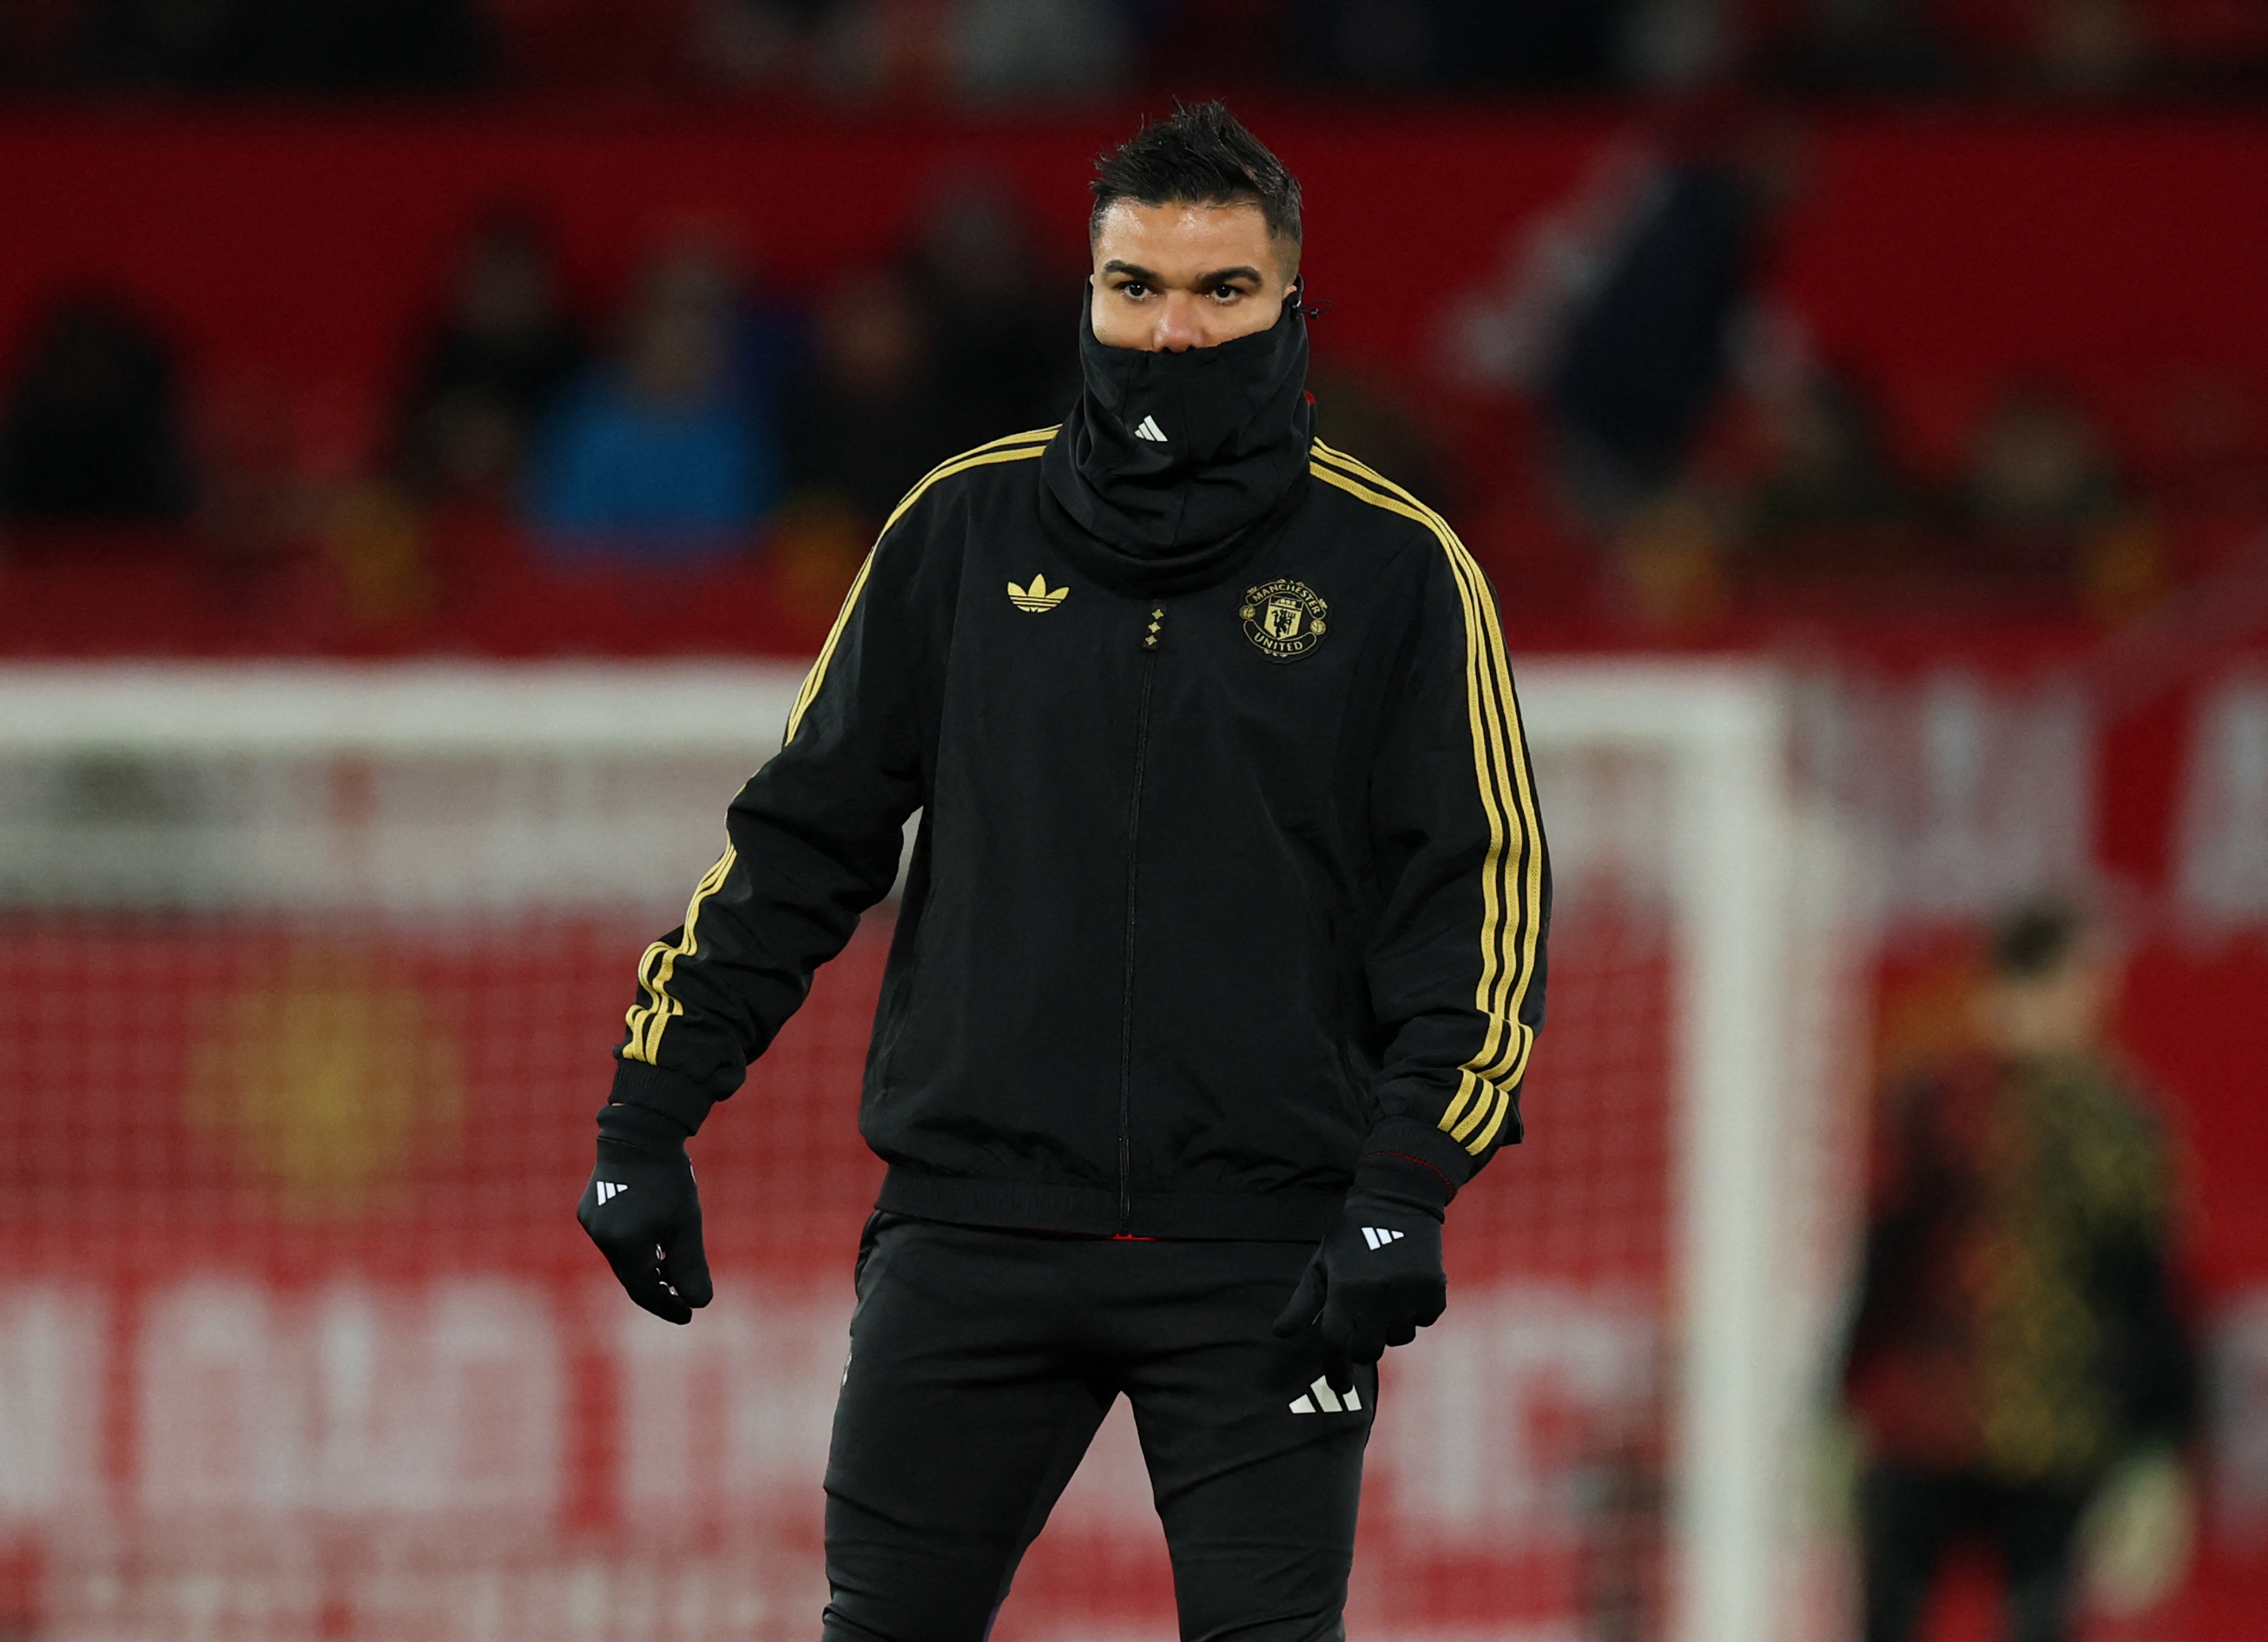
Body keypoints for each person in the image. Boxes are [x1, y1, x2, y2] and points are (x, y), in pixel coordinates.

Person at [577, 102, 1549, 1639]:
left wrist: (1405, 1185)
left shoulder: (1398, 571)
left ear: (1291, 310)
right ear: (1085, 301)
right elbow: (798, 845)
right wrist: (648, 1115)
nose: (1171, 331)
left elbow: (1474, 914)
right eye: (1134, 289)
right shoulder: (959, 528)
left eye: (1220, 292)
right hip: (968, 1237)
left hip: (1262, 1256)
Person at [1843, 900, 2195, 1642]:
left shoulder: (1948, 1099)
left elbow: (2144, 1288)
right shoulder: (2102, 1120)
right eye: (2087, 979)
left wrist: (2160, 1440)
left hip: (1999, 1425)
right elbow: (1891, 1256)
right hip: (1970, 1423)